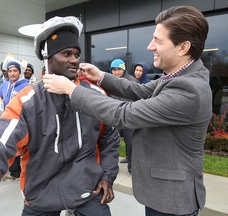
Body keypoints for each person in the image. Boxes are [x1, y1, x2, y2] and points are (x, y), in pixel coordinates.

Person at [43, 6, 212, 216]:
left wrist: (71, 90)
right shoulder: (176, 76)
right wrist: (101, 76)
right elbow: (139, 90)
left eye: (158, 41)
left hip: (173, 201)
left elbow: (124, 114)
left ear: (183, 47)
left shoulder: (189, 90)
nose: (150, 46)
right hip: (162, 193)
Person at [0, 16, 119, 216]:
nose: (74, 60)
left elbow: (109, 136)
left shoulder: (94, 95)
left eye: (77, 54)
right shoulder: (26, 101)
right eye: (67, 53)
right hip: (41, 195)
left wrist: (108, 175)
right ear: (48, 58)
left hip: (87, 191)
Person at [0, 60, 29, 181]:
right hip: (8, 120)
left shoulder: (26, 85)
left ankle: (17, 172)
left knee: (19, 145)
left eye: (15, 71)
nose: (12, 73)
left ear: (19, 72)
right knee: (10, 144)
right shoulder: (5, 85)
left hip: (22, 120)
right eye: (10, 71)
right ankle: (14, 171)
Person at [109, 59, 137, 174]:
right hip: (114, 117)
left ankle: (132, 169)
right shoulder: (109, 81)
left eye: (118, 69)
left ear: (123, 69)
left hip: (128, 117)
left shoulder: (132, 81)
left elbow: (136, 98)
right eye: (113, 70)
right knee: (112, 143)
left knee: (130, 143)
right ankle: (111, 168)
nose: (116, 72)